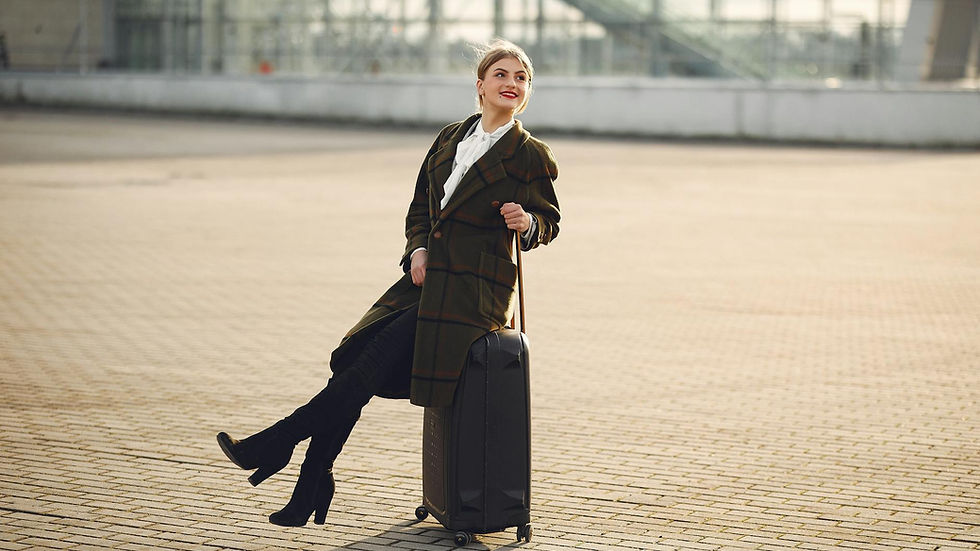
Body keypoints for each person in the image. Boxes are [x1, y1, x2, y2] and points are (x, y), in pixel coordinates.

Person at [216, 39, 560, 527]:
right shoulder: (450, 138)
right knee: (357, 364)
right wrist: (416, 249)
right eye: (501, 74)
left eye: (521, 78)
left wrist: (527, 221)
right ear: (480, 85)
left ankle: (275, 447)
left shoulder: (530, 155)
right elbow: (420, 207)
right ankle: (311, 477)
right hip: (425, 281)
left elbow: (549, 222)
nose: (512, 84)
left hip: (474, 295)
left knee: (365, 369)